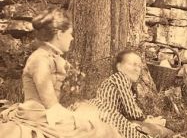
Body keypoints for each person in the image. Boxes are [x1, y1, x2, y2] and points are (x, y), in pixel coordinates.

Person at [0, 8, 122, 138]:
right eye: (69, 33)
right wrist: (79, 119)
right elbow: (51, 104)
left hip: (47, 113)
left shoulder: (52, 57)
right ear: (59, 34)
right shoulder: (39, 60)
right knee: (99, 130)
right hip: (39, 116)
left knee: (97, 119)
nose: (72, 38)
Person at [81, 50, 173, 138]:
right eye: (133, 64)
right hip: (104, 113)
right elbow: (131, 109)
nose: (137, 69)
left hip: (104, 113)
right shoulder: (120, 78)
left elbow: (127, 111)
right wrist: (146, 120)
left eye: (139, 66)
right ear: (119, 67)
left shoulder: (124, 84)